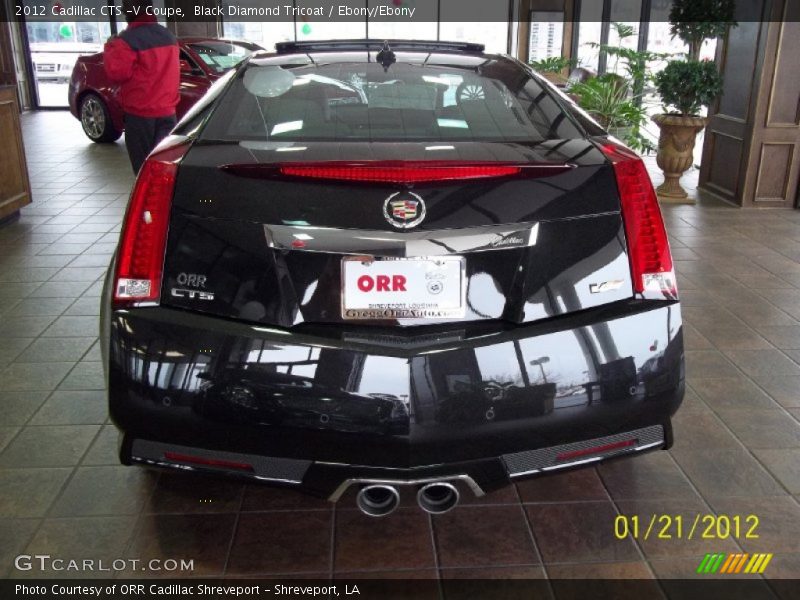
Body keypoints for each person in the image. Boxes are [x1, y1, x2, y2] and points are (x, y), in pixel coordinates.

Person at [104, 0, 179, 174]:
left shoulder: (127, 40)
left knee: (143, 171)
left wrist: (110, 47)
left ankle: (148, 201)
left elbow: (117, 73)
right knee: (166, 167)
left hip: (140, 116)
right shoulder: (168, 36)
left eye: (125, 5)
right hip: (168, 113)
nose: (122, 10)